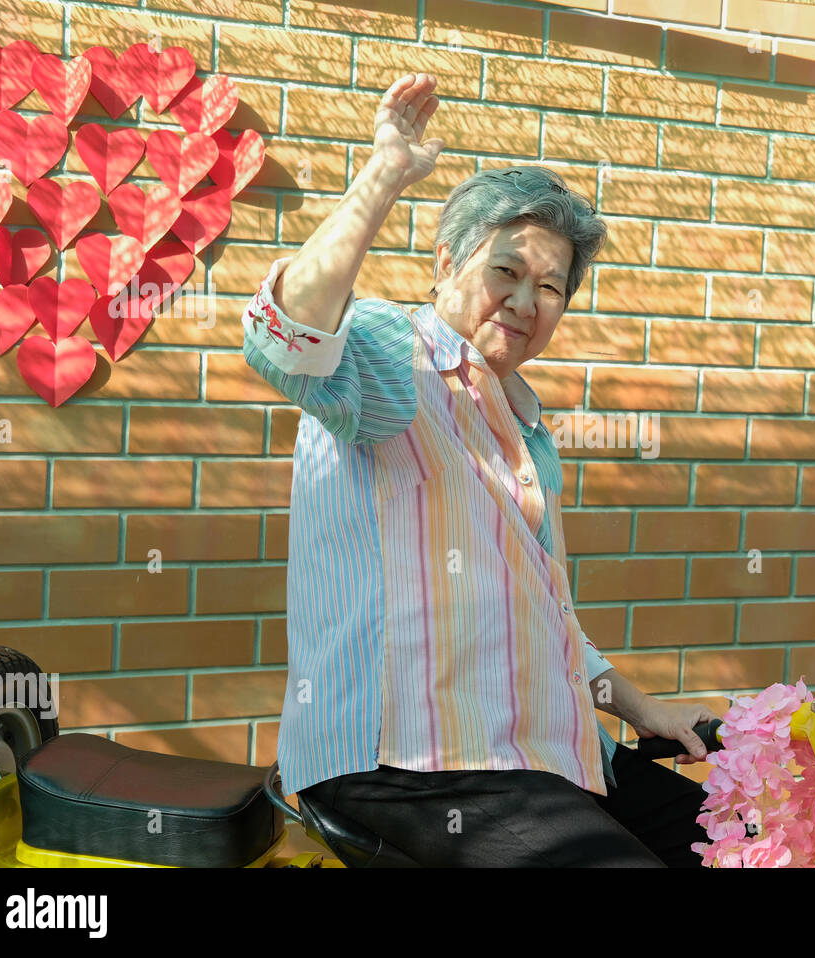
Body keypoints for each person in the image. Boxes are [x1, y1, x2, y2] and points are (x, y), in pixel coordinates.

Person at [240, 72, 718, 866]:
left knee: (737, 835)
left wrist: (640, 708)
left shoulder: (526, 427)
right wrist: (385, 170)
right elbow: (285, 334)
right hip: (409, 762)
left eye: (552, 287)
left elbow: (545, 626)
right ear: (445, 263)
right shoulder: (396, 355)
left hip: (542, 757)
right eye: (507, 271)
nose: (527, 301)